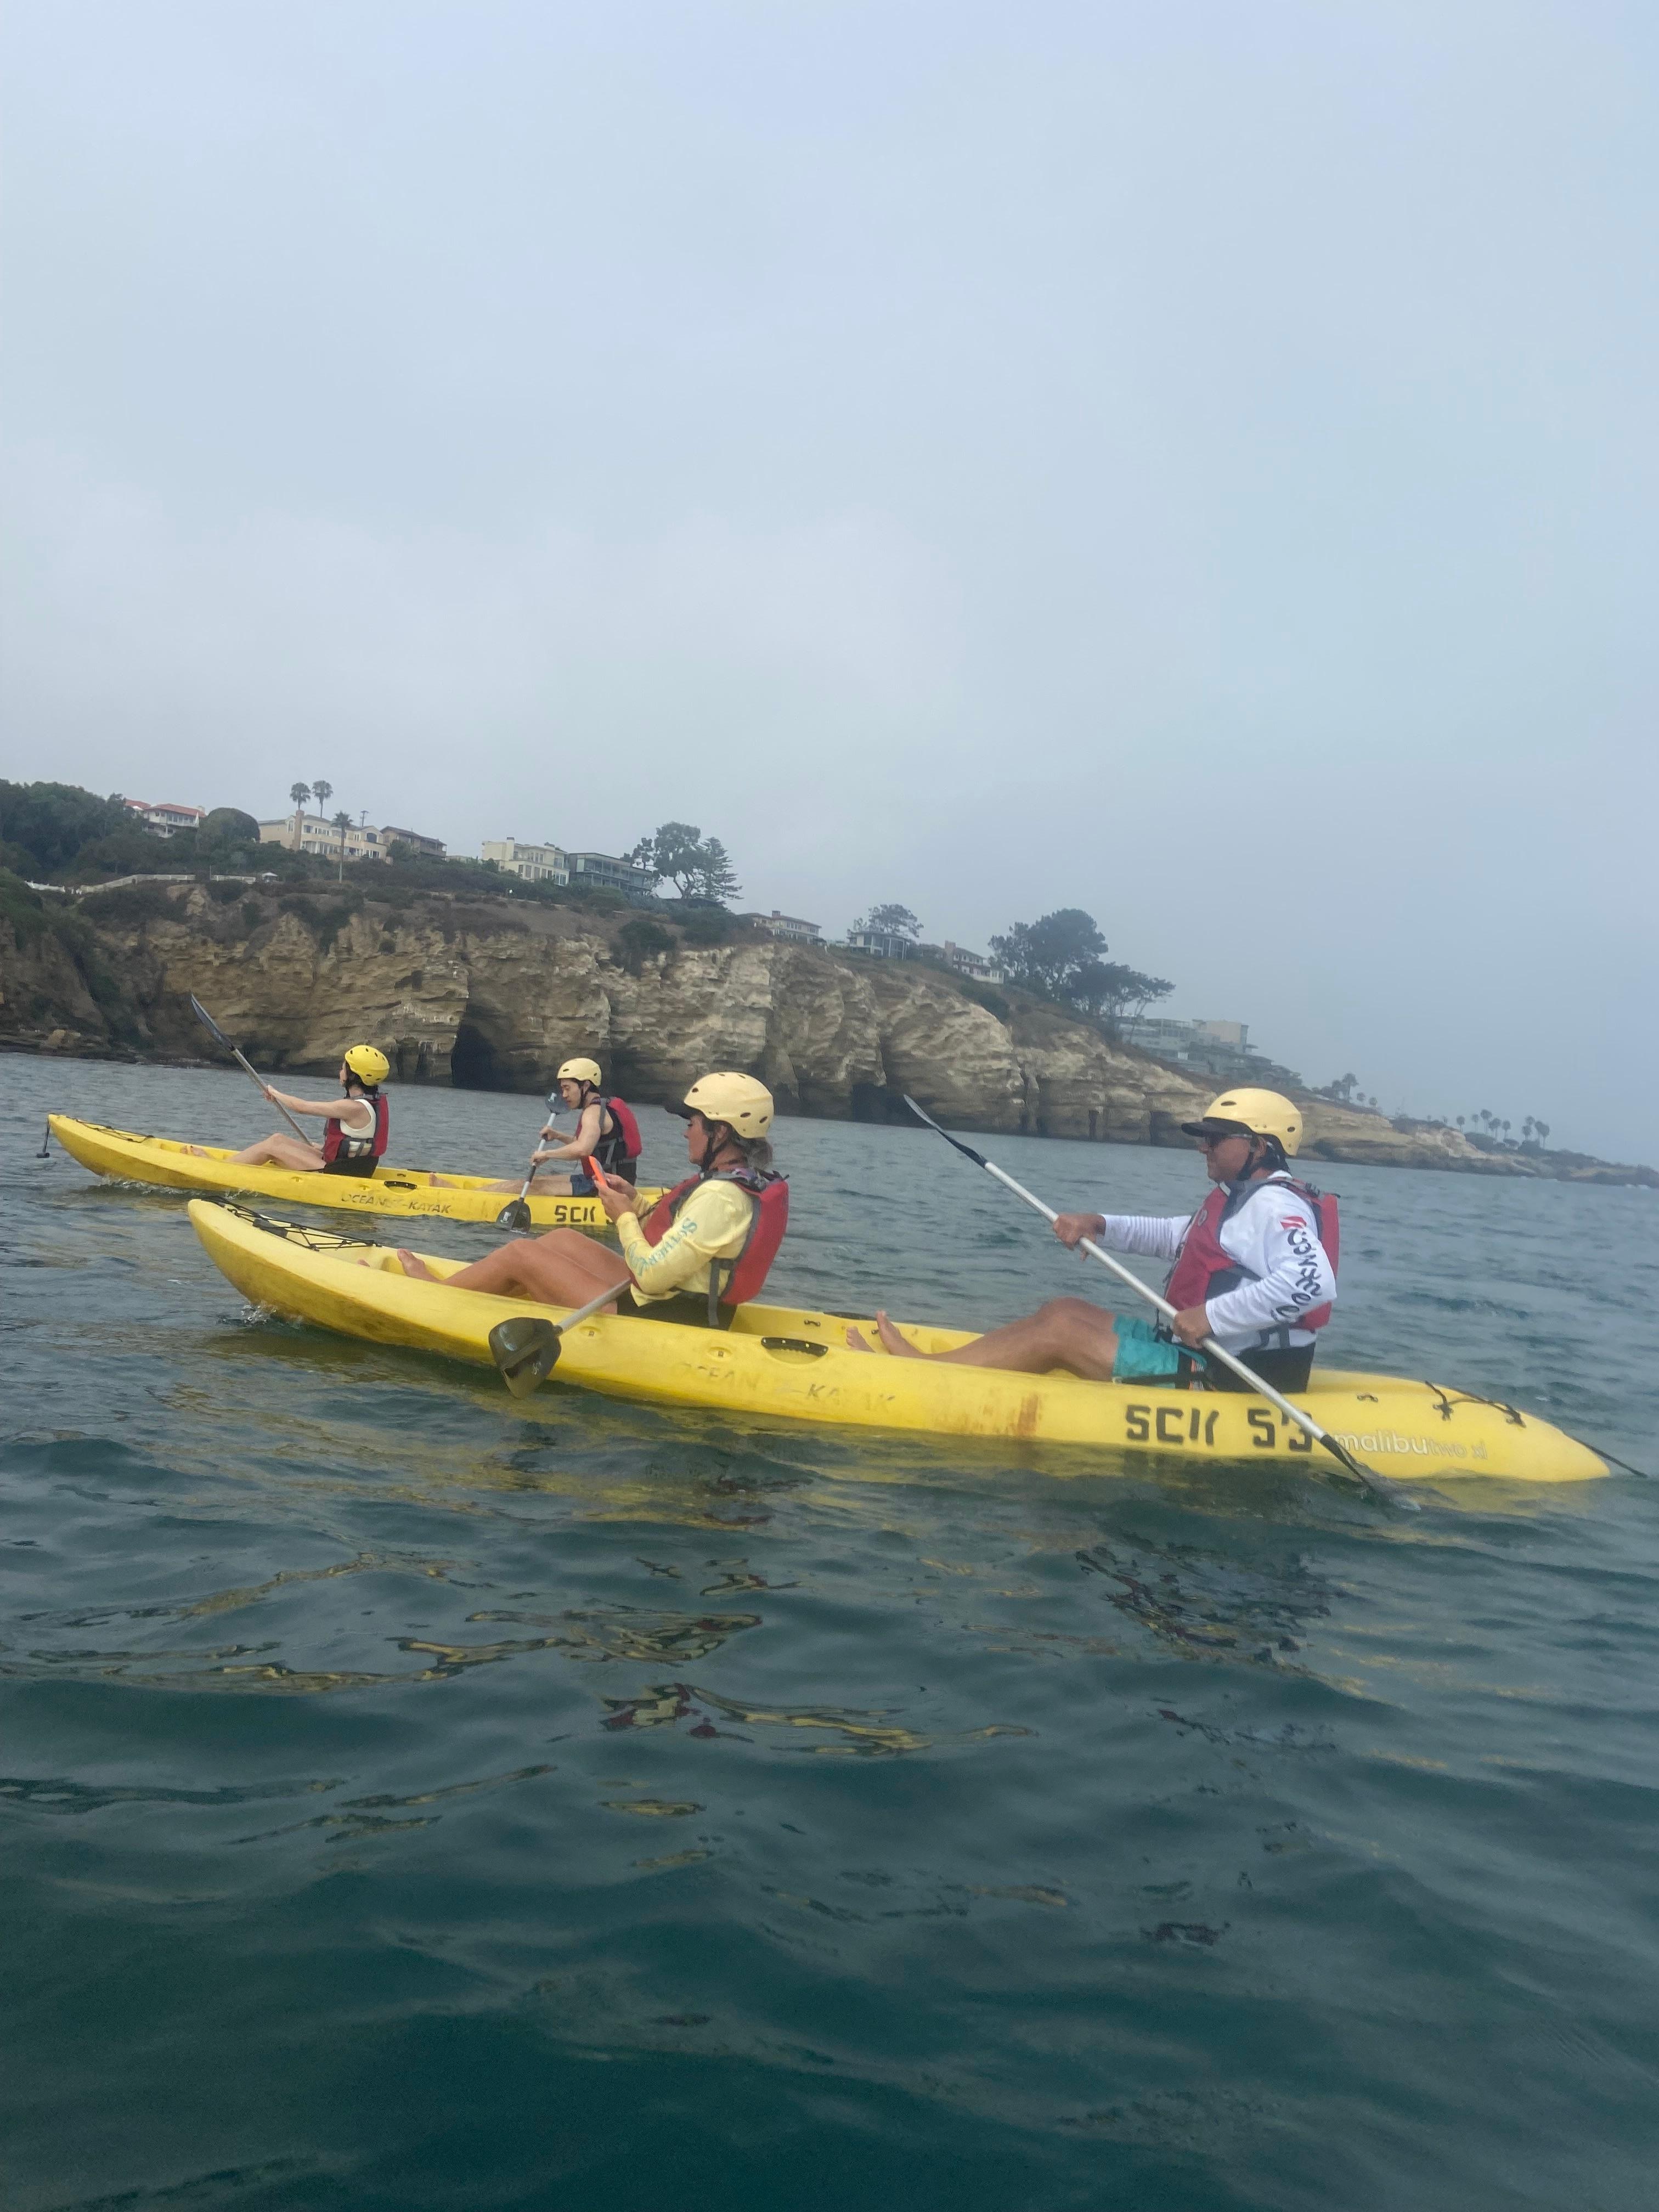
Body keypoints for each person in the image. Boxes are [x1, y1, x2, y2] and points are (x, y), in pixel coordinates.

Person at [847, 1089, 1338, 1392]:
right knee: (1064, 1310)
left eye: (1216, 1138)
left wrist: (1210, 1317)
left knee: (1060, 1335)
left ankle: (922, 1376)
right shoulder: (1243, 1197)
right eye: (1203, 1136)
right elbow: (1179, 1238)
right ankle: (938, 1367)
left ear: (1259, 1146)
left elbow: (1313, 1284)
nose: (1202, 1146)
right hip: (1198, 1349)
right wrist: (1098, 1223)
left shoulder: (1277, 1206)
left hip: (1234, 1374)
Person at [398, 1073, 788, 1327]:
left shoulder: (722, 1196)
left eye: (692, 1124)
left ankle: (438, 1299)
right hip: (674, 1298)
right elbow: (689, 1246)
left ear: (719, 1133)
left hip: (664, 1316)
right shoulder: (734, 1182)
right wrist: (635, 1203)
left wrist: (624, 1220)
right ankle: (493, 1295)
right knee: (562, 1239)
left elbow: (651, 1276)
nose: (686, 1133)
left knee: (520, 1252)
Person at [435, 1057, 644, 1195]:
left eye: (567, 1088)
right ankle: (473, 1193)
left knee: (533, 1185)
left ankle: (463, 1197)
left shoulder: (593, 1112)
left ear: (586, 1085)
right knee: (539, 1181)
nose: (564, 1095)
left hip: (607, 1188)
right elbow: (593, 1145)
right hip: (609, 1182)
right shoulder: (604, 1107)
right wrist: (558, 1135)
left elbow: (583, 1149)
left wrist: (547, 1155)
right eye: (562, 1089)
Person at [191, 1046, 392, 1176]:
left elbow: (302, 1107)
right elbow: (356, 1143)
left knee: (271, 1149)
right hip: (342, 1165)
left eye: (343, 1069)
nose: (340, 1073)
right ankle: (229, 1165)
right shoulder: (369, 1103)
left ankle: (217, 1171)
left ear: (353, 1075)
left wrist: (274, 1093)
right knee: (277, 1139)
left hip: (336, 1175)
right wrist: (323, 1147)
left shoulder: (353, 1107)